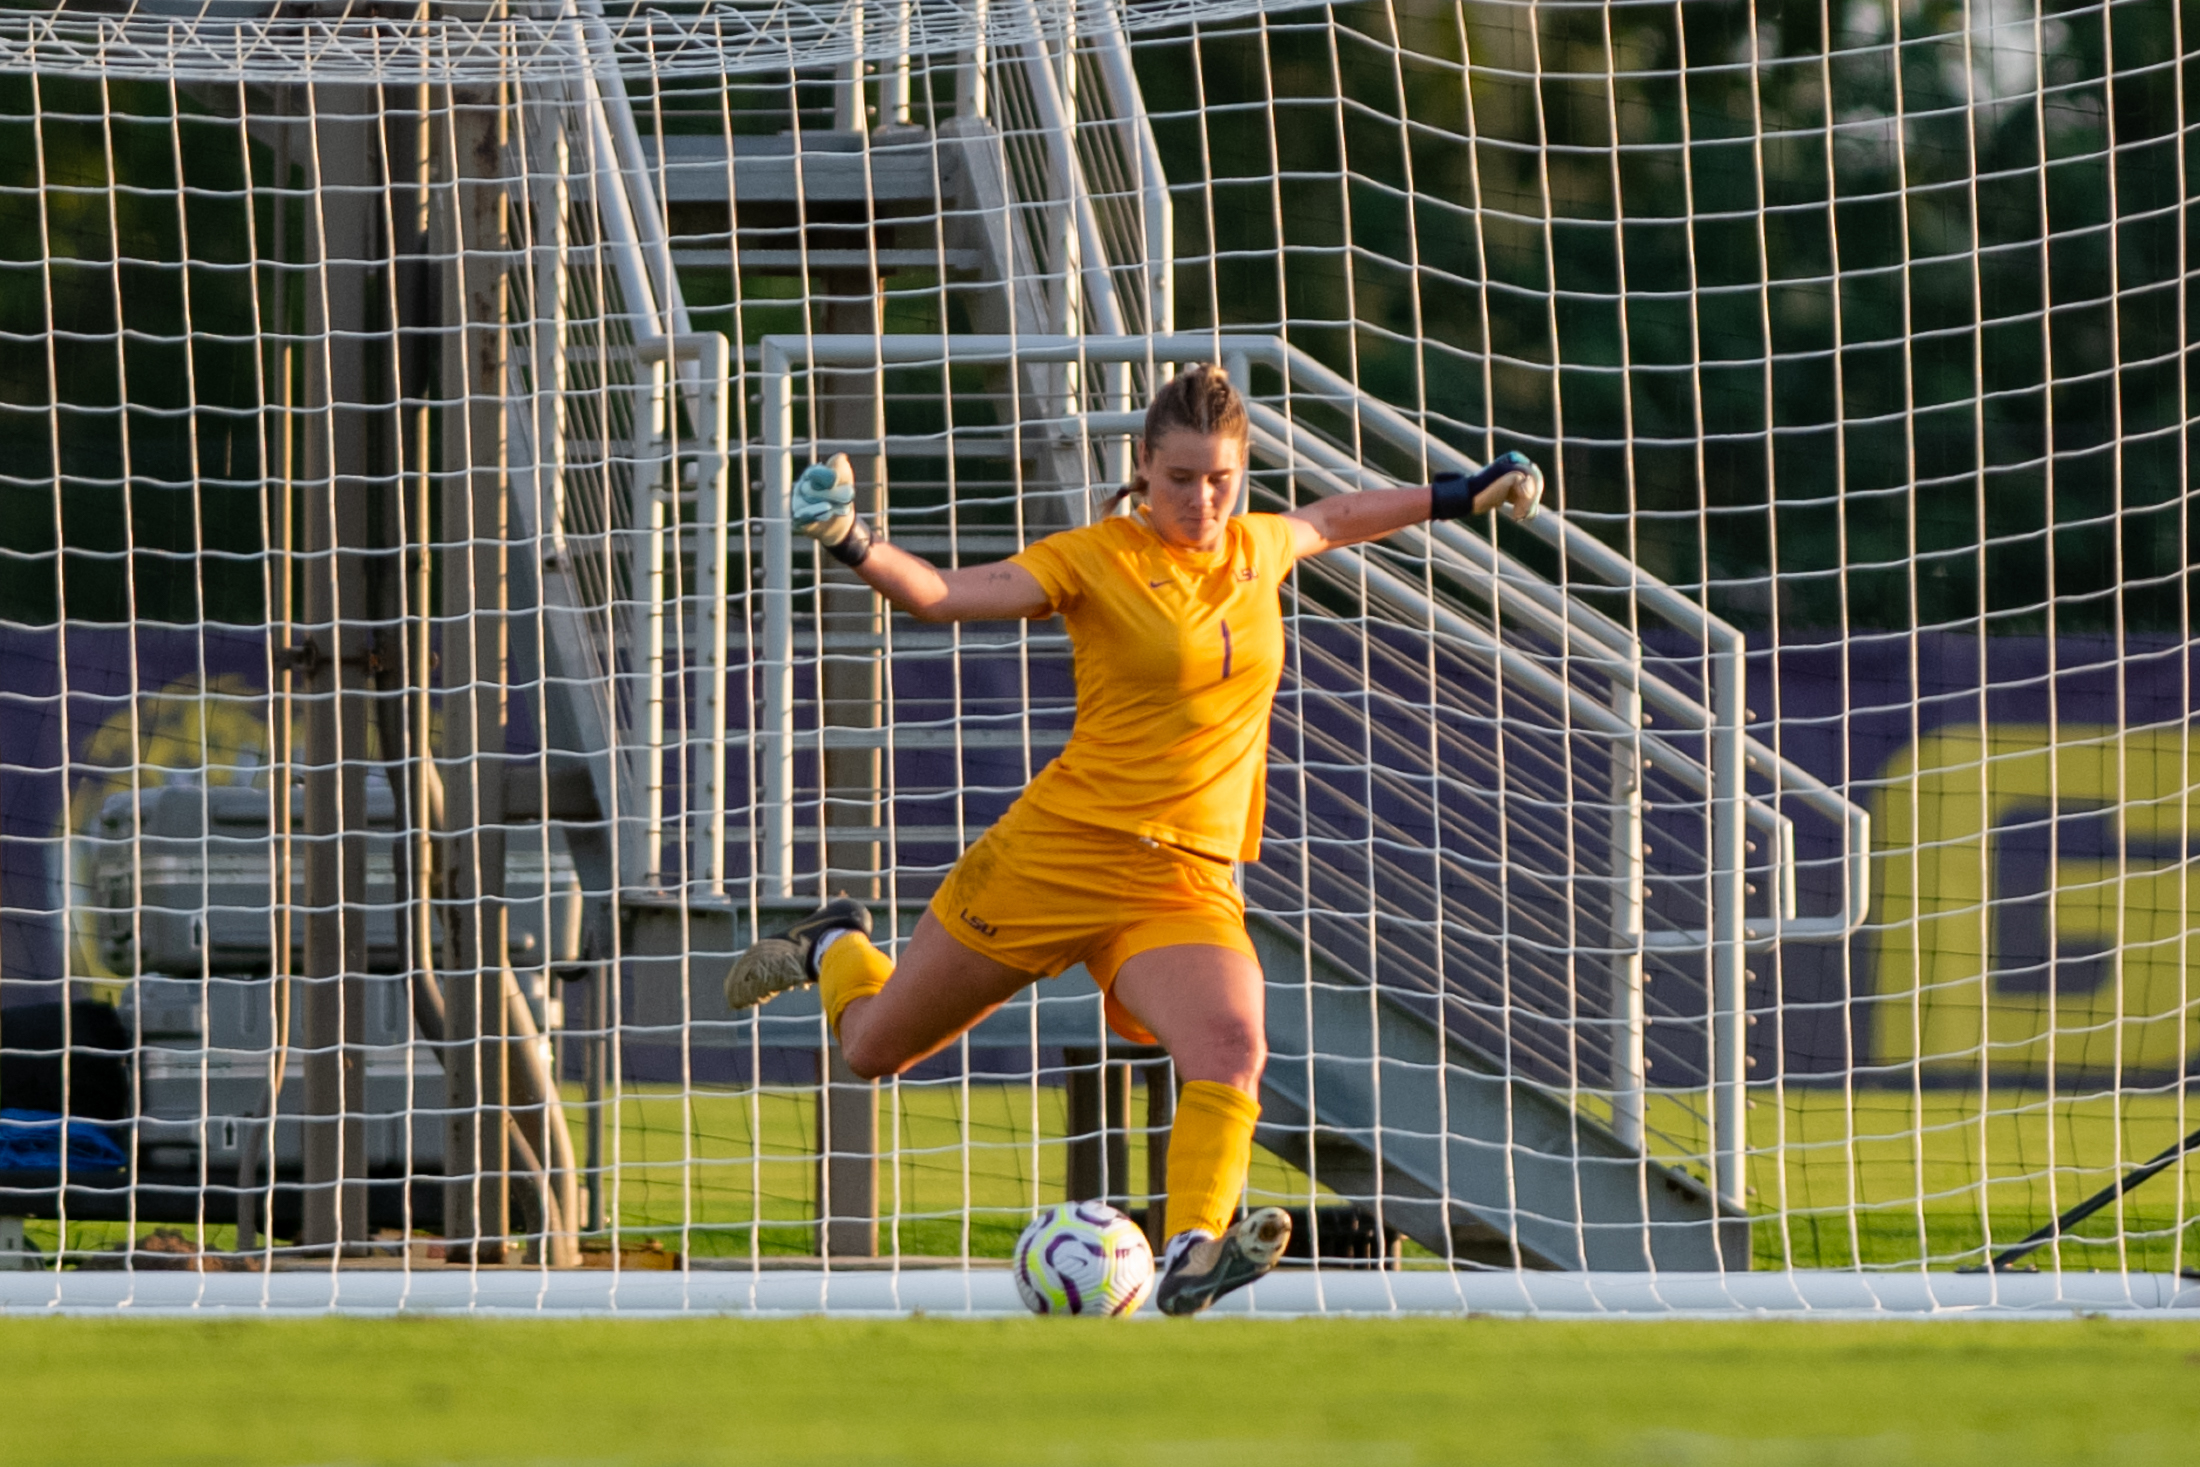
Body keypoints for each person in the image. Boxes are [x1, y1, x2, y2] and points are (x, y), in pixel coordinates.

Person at [725, 364, 1542, 1314]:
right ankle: (835, 942)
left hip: (1183, 883)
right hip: (1053, 858)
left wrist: (1458, 493)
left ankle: (1194, 1247)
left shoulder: (1257, 548)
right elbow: (942, 595)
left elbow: (1342, 514)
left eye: (1222, 480)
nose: (1202, 499)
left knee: (1233, 1044)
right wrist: (851, 538)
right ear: (1143, 467)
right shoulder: (1094, 558)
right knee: (871, 1050)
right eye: (1182, 478)